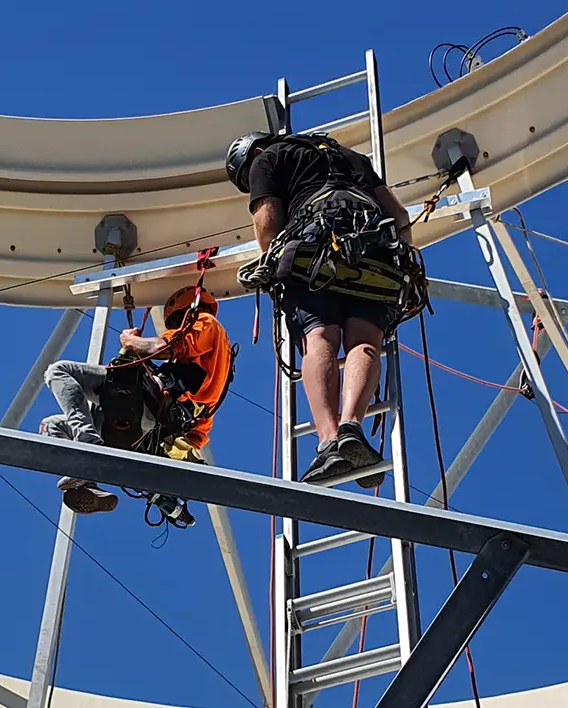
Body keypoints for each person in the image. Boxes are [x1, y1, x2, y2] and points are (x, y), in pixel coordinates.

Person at [226, 130, 420, 486]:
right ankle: (352, 427)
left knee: (320, 338)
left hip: (313, 253)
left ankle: (330, 440)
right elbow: (400, 217)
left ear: (252, 152)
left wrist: (273, 265)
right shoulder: (352, 158)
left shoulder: (266, 160)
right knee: (364, 342)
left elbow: (268, 228)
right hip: (375, 254)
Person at [39, 284, 234, 516]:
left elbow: (167, 346)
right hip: (144, 431)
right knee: (52, 426)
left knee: (60, 372)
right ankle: (87, 481)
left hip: (145, 402)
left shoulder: (205, 321)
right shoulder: (210, 390)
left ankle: (88, 445)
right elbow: (197, 435)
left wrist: (131, 343)